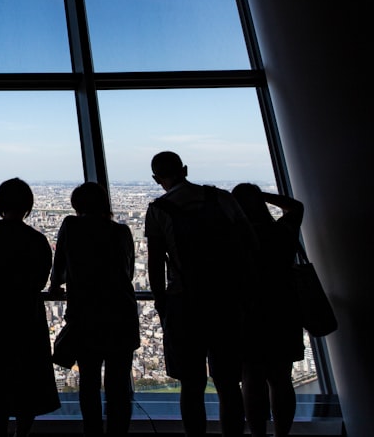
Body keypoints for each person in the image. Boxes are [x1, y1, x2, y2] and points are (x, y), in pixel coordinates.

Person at [145, 151, 258, 437]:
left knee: (191, 386)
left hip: (184, 304)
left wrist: (162, 304)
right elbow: (249, 246)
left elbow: (156, 265)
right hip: (226, 301)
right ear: (185, 169)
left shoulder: (159, 209)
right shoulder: (222, 198)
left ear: (157, 179)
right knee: (229, 383)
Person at [0, 177, 60, 437]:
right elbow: (41, 280)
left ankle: (0, 432)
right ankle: (23, 433)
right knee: (27, 378)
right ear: (28, 205)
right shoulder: (38, 240)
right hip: (27, 317)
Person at [49, 182, 138, 436]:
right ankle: (119, 433)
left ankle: (93, 433)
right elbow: (128, 272)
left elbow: (60, 267)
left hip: (86, 315)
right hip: (121, 314)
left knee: (89, 382)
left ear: (77, 206)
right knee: (119, 384)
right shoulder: (122, 231)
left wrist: (56, 287)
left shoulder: (72, 226)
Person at [231, 183, 304, 437]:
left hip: (248, 313)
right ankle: (282, 434)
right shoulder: (282, 231)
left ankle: (258, 434)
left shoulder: (234, 239)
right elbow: (296, 207)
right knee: (282, 379)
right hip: (283, 310)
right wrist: (260, 195)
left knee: (251, 380)